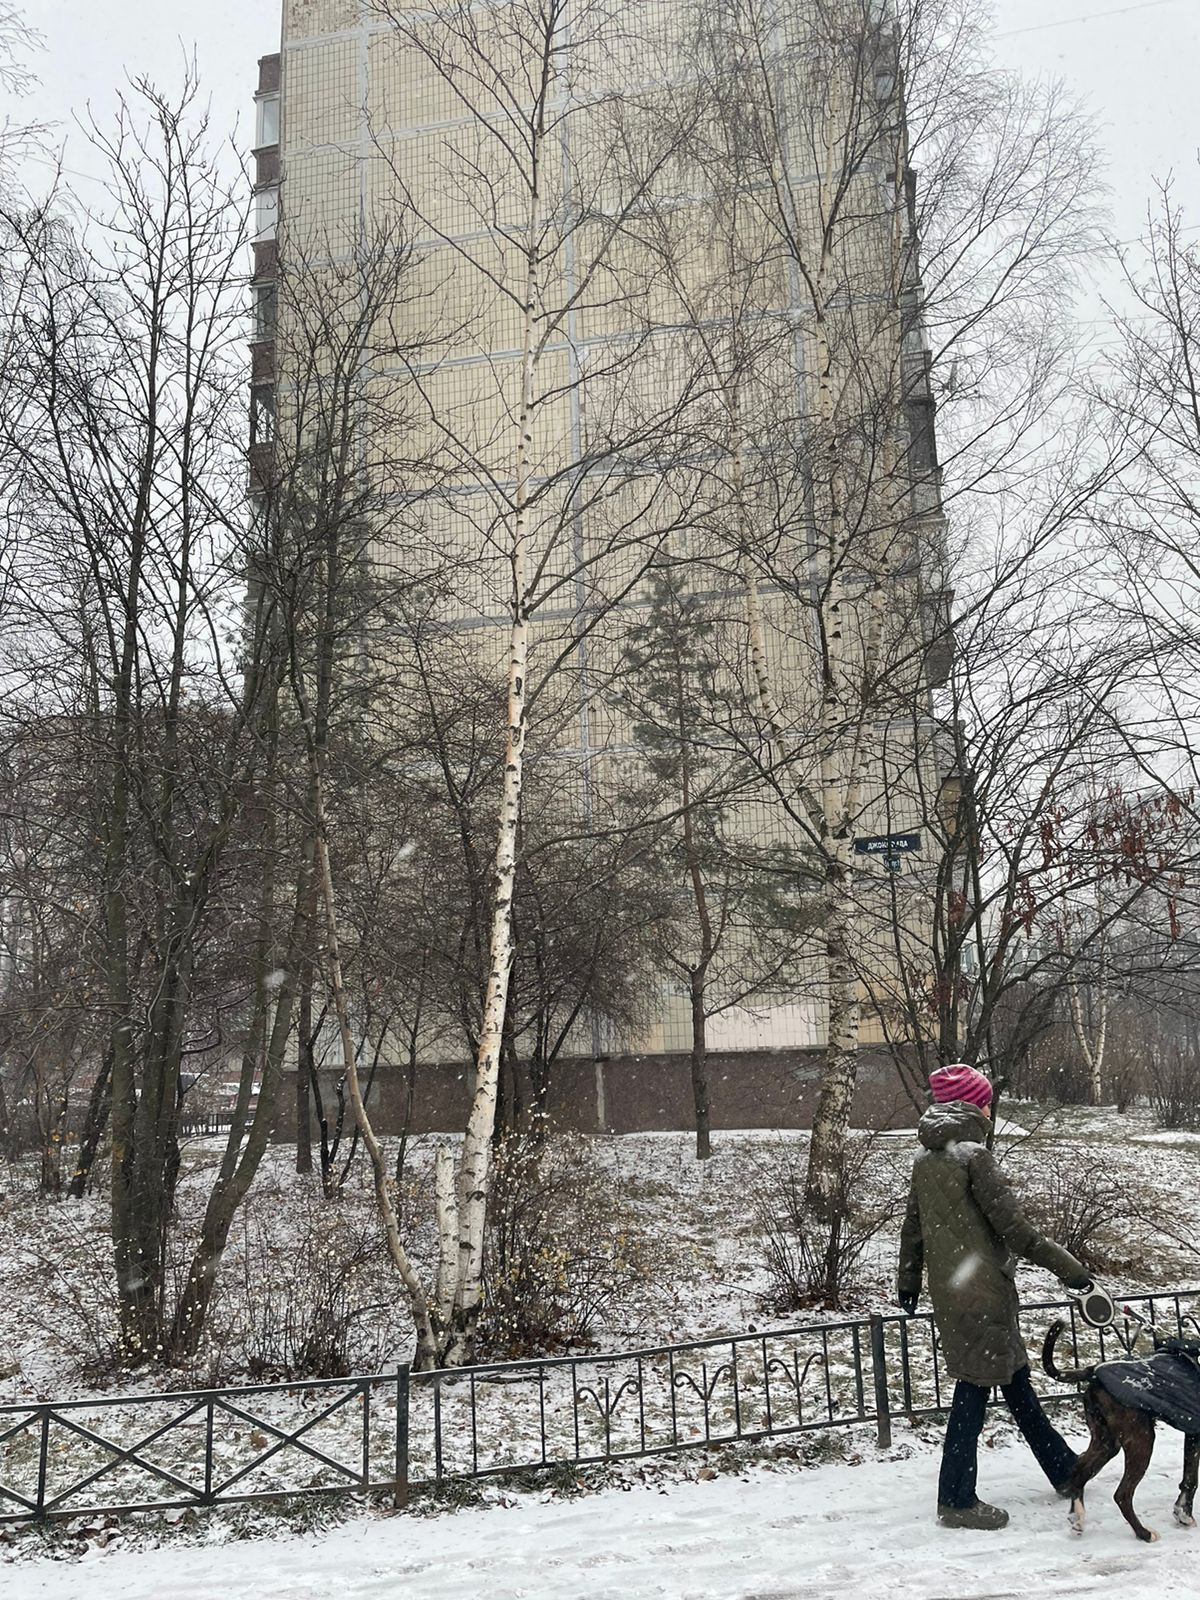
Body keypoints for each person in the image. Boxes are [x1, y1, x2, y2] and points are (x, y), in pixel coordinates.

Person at [897, 1063, 1092, 1530]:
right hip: (983, 1293)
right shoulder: (974, 1158)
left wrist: (908, 1282)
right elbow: (1016, 1230)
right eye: (985, 1102)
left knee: (1016, 1380)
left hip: (955, 1292)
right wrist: (1072, 1272)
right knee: (973, 1391)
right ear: (972, 1106)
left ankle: (1065, 1470)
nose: (989, 1109)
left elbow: (913, 1228)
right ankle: (956, 1499)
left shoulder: (925, 1160)